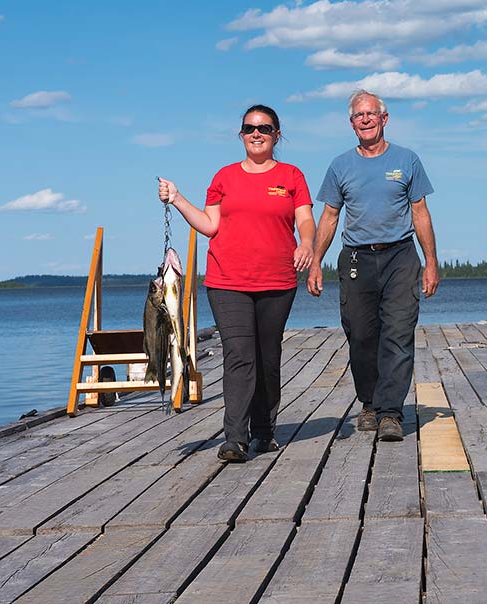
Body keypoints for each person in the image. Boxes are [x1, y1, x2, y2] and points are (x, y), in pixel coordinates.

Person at [158, 104, 315, 463]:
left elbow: (305, 219)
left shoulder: (291, 175)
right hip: (227, 280)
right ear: (241, 135)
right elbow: (210, 225)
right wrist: (178, 199)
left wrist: (306, 244)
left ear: (277, 134)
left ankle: (264, 431)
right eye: (249, 128)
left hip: (277, 281)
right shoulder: (224, 177)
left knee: (267, 357)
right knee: (239, 357)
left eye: (264, 128)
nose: (256, 133)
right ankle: (235, 438)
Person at [307, 90, 439, 443]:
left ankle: (390, 412)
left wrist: (431, 263)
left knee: (398, 332)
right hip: (356, 258)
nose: (365, 120)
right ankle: (369, 402)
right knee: (361, 335)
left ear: (384, 118)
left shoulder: (407, 160)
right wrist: (315, 262)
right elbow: (330, 216)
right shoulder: (340, 166)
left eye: (371, 114)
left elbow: (420, 213)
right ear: (351, 124)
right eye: (358, 116)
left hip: (400, 255)